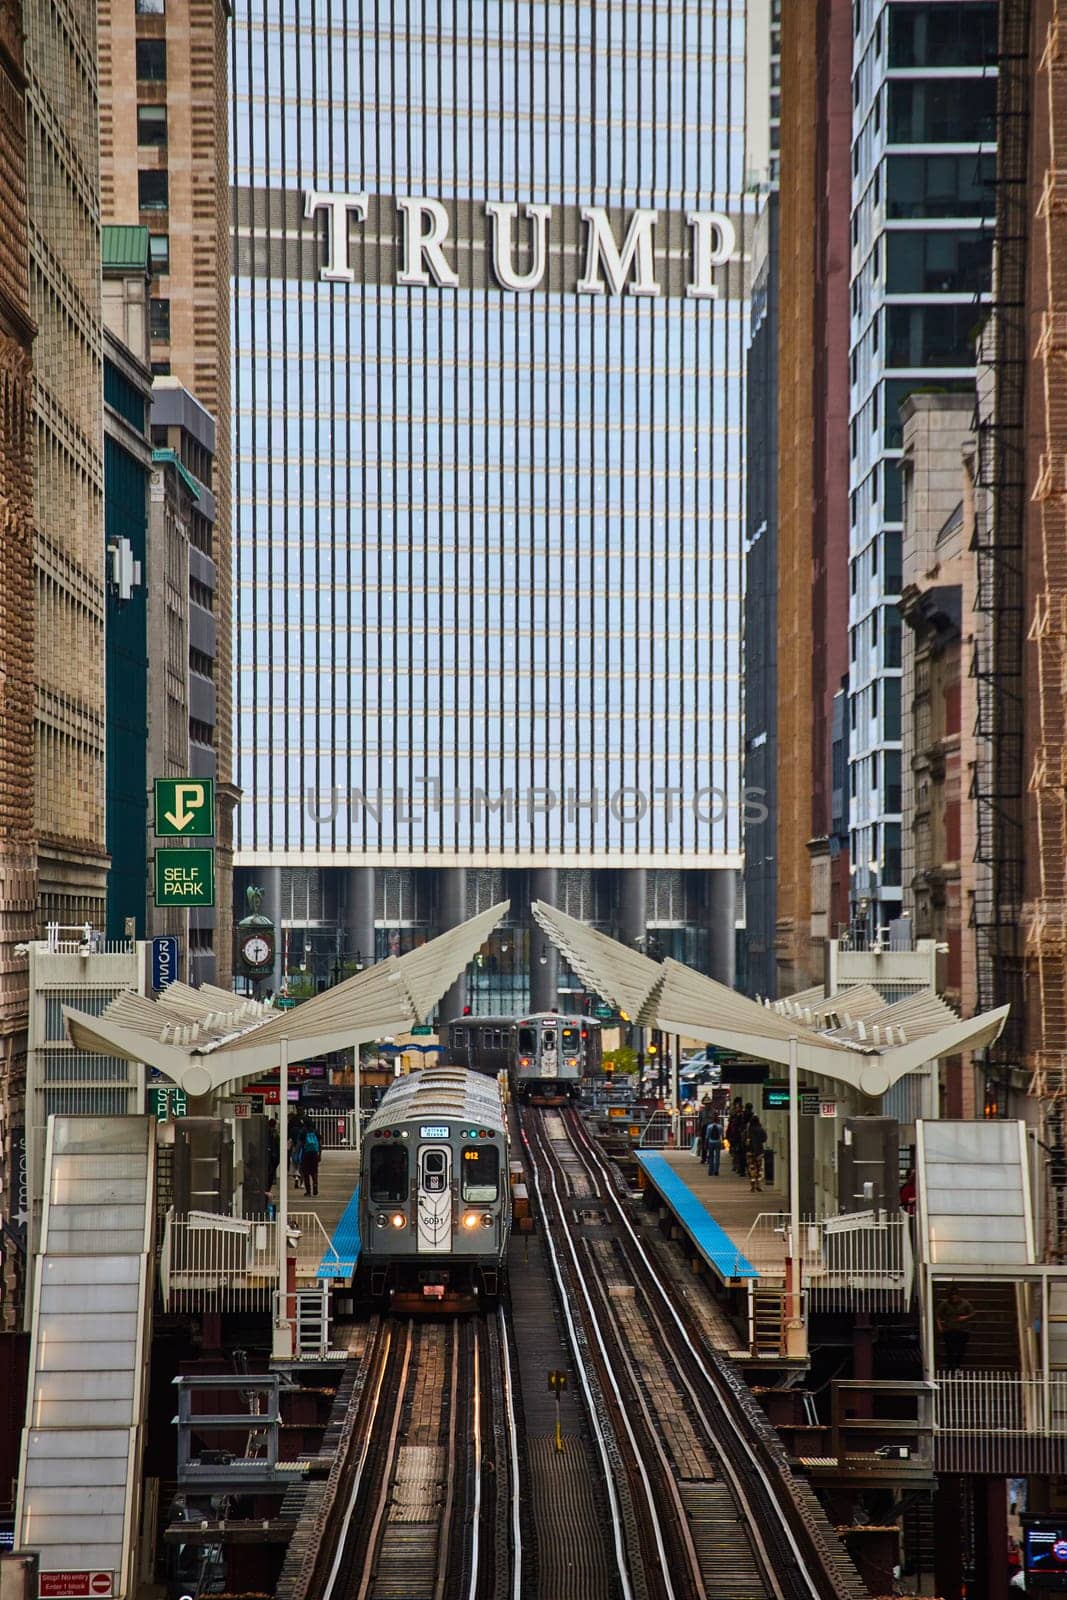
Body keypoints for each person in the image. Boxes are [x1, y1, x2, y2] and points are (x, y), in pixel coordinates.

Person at [937, 1285, 975, 1370]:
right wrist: (940, 1327)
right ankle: (950, 1367)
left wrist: (964, 1317)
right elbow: (938, 1315)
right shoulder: (945, 1303)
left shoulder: (965, 1303)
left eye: (955, 1296)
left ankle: (958, 1366)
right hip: (949, 1330)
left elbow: (972, 1313)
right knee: (950, 1350)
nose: (954, 1298)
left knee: (961, 1350)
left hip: (962, 1330)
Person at [745, 1115, 768, 1192]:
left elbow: (744, 1141)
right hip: (759, 1152)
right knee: (759, 1168)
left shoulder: (748, 1131)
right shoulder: (761, 1130)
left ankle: (752, 1183)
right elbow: (764, 1139)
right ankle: (758, 1183)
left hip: (750, 1152)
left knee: (752, 1168)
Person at [300, 1123, 322, 1198]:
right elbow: (319, 1143)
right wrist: (319, 1155)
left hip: (305, 1154)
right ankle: (315, 1187)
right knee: (314, 1172)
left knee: (306, 1173)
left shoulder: (303, 1131)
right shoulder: (315, 1132)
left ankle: (308, 1191)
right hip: (314, 1154)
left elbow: (300, 1143)